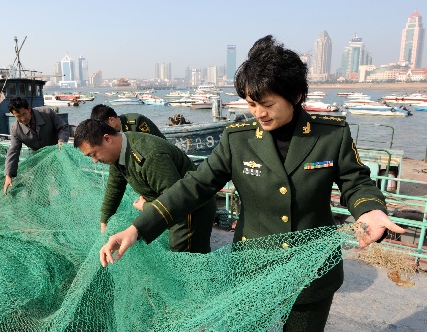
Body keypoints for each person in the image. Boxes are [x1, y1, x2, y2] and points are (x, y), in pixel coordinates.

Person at [98, 35, 405, 331]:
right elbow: (194, 186)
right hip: (251, 270)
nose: (259, 113)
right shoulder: (237, 139)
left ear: (296, 96)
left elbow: (356, 182)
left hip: (311, 274)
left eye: (267, 104)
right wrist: (138, 228)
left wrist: (369, 210)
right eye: (251, 104)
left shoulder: (331, 135)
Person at [74, 119, 216, 253]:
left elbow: (177, 201)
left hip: (191, 212)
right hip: (168, 206)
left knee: (184, 261)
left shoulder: (149, 156)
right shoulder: (119, 150)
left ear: (107, 139)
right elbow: (114, 187)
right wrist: (105, 221)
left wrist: (145, 207)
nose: (94, 161)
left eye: (94, 154)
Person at [4, 97, 69, 195]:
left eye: (24, 114)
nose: (22, 119)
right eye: (18, 116)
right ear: (13, 115)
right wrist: (8, 175)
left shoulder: (47, 113)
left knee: (62, 183)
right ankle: (43, 205)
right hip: (37, 158)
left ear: (29, 108)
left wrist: (62, 141)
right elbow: (13, 150)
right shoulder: (15, 129)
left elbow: (63, 127)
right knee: (39, 187)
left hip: (57, 154)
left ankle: (66, 203)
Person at [90, 104, 165, 139]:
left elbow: (149, 144)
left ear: (111, 119)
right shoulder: (111, 133)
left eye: (105, 127)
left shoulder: (136, 121)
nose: (105, 131)